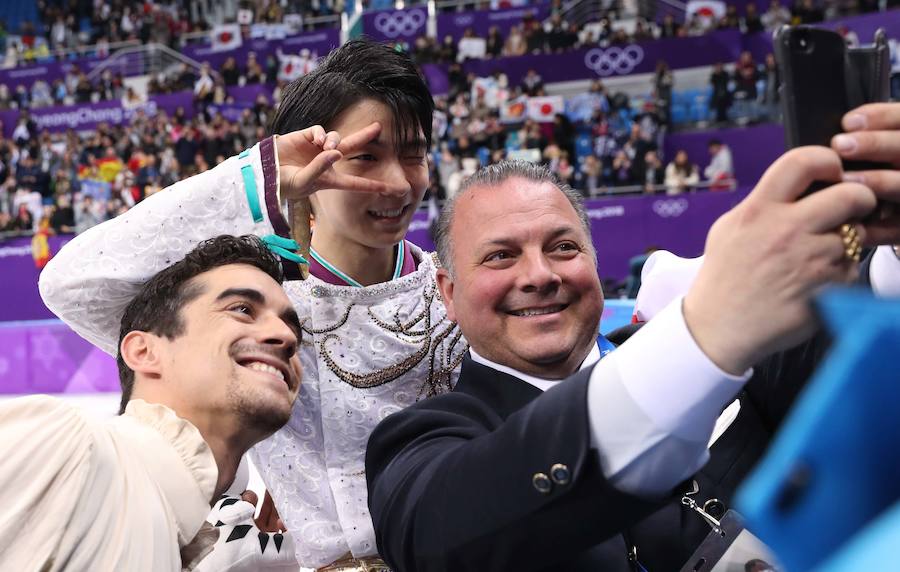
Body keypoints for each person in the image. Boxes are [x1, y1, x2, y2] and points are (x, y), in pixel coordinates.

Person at [366, 100, 900, 570]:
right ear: (449, 293)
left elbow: (864, 364)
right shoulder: (419, 443)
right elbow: (443, 537)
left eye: (563, 247)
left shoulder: (739, 357)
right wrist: (704, 333)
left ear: (596, 264)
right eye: (501, 256)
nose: (540, 275)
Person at [38, 39, 466, 570]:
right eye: (366, 158)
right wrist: (256, 179)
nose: (398, 183)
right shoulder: (258, 308)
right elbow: (72, 284)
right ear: (309, 162)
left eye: (414, 153)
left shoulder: (458, 296)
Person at [2, 234, 302, 570]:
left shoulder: (185, 542)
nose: (287, 337)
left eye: (294, 328)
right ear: (144, 351)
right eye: (243, 309)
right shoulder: (65, 447)